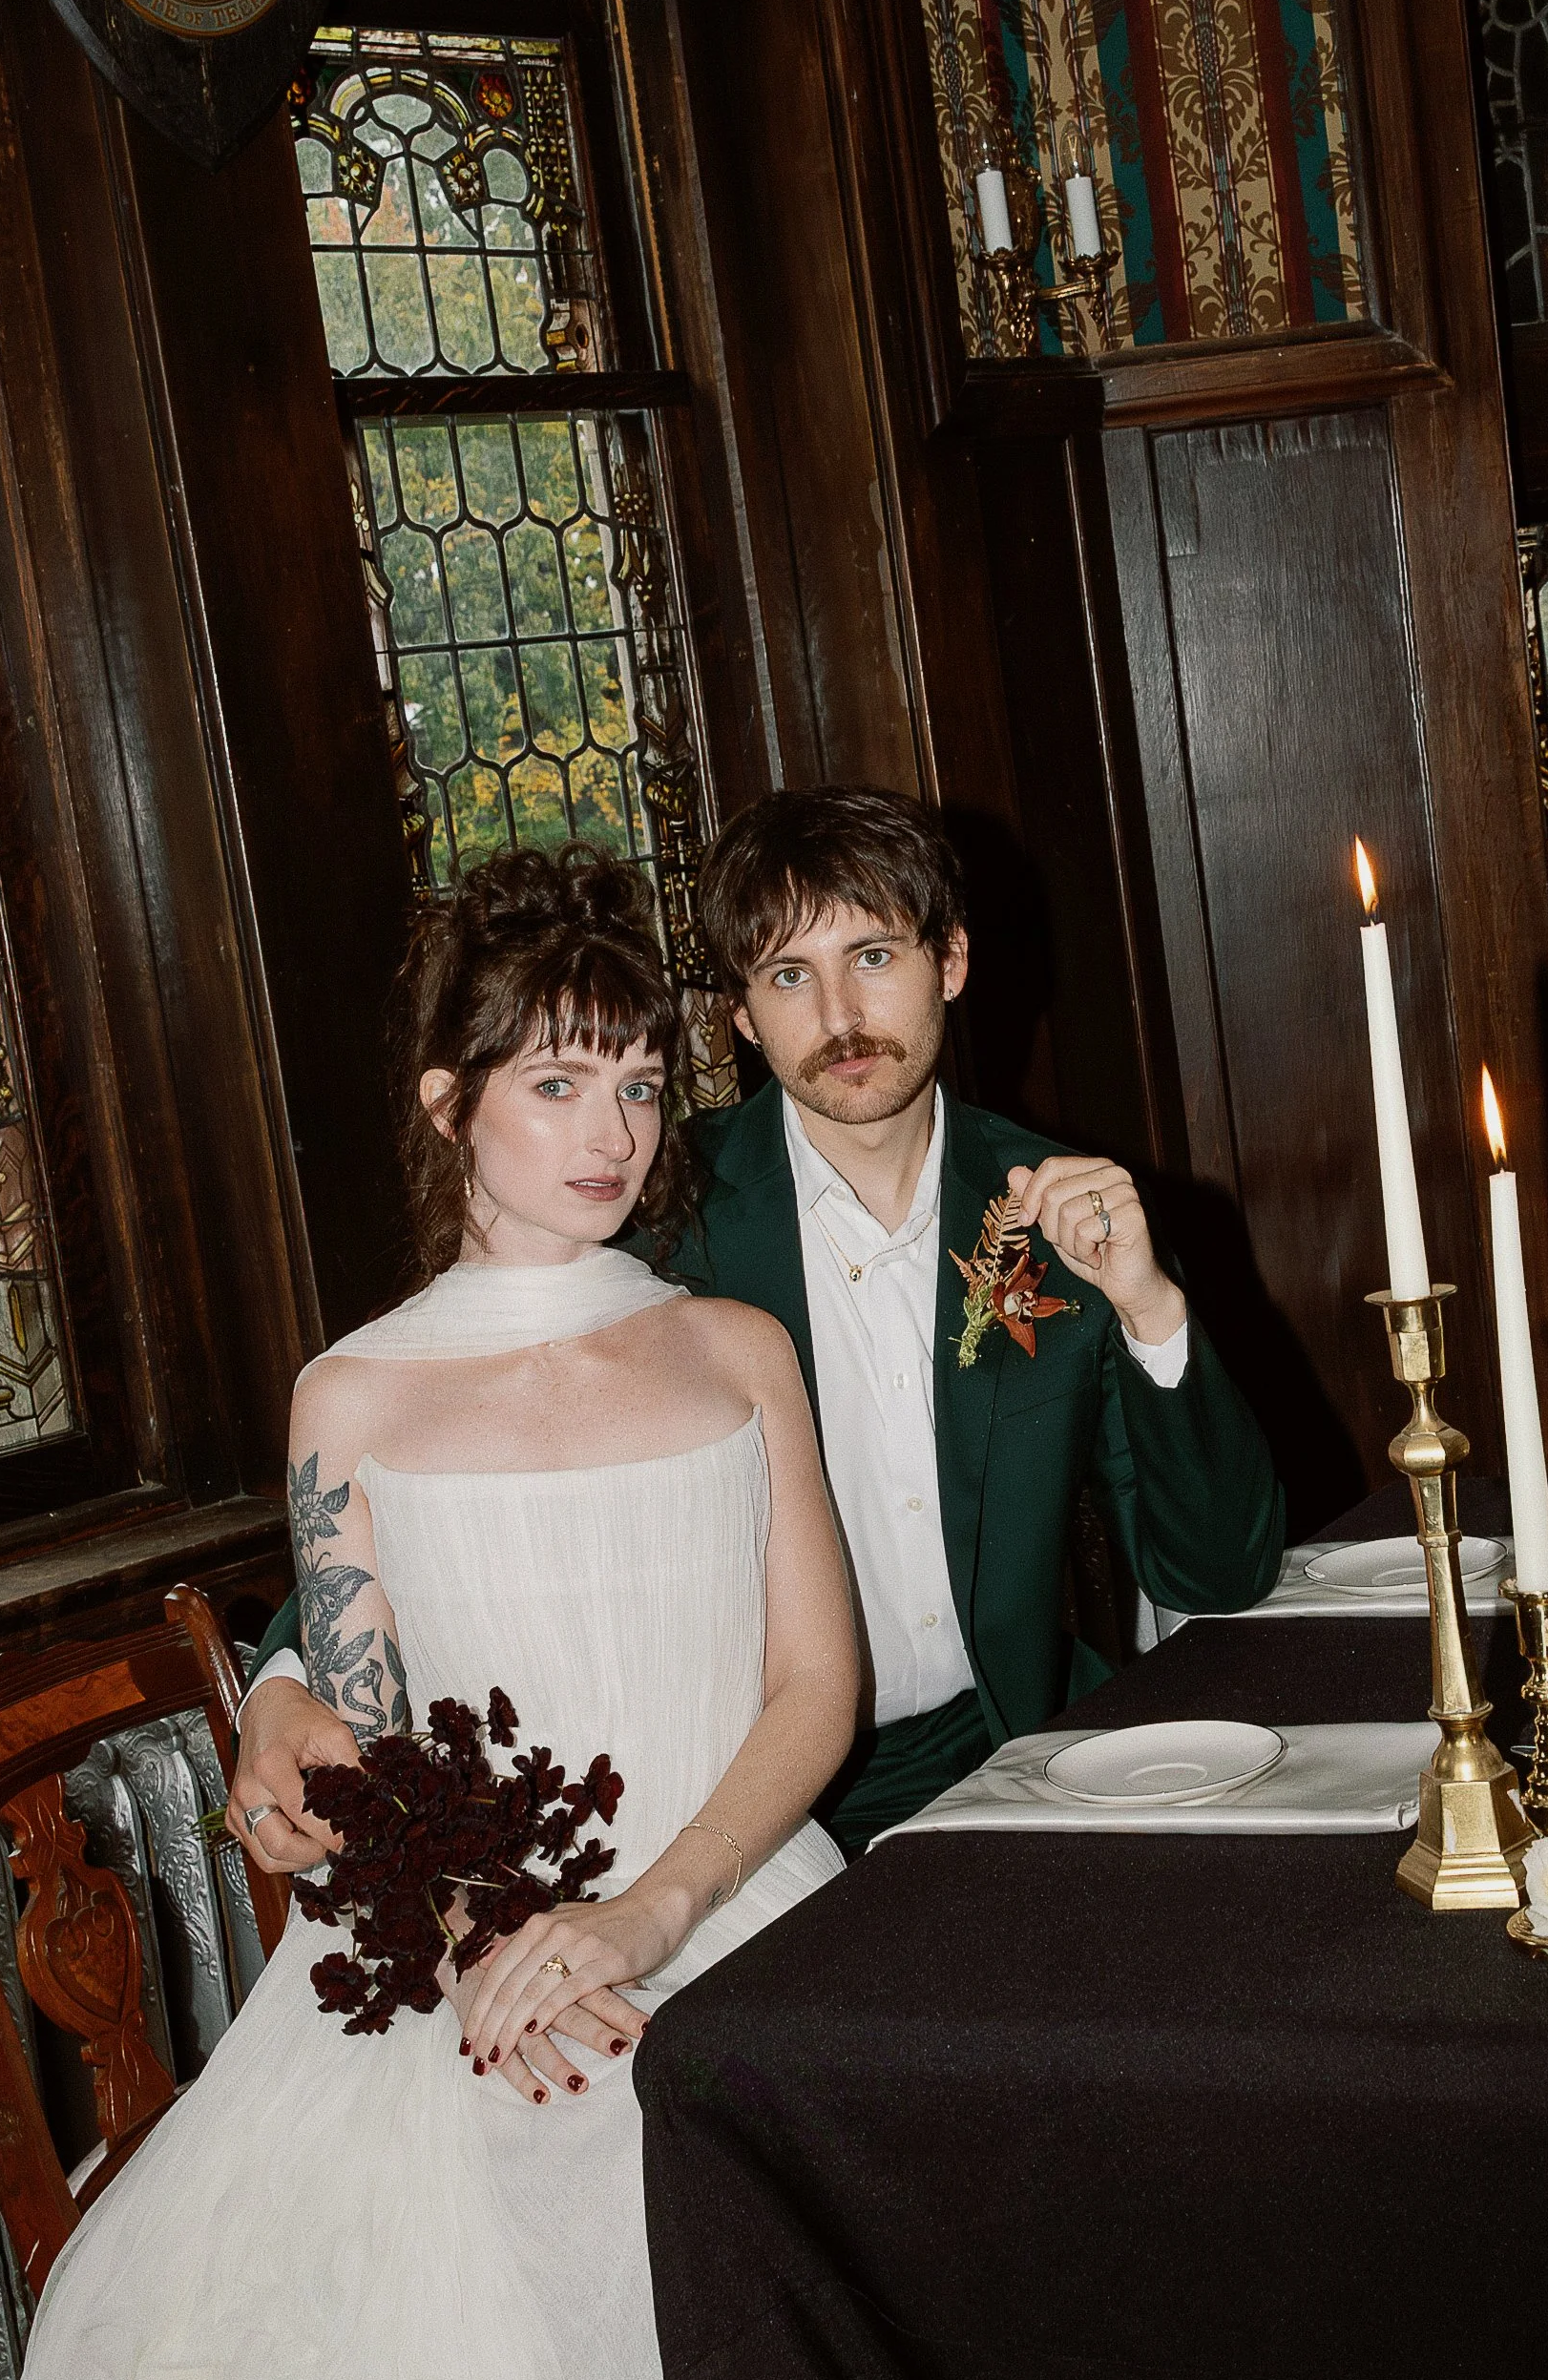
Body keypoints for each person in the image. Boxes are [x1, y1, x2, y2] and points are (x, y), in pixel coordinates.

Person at [0, 847, 857, 2380]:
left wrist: (647, 1915)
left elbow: (814, 1691)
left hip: (733, 1895)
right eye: (555, 1082)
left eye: (635, 1081)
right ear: (448, 1101)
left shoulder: (732, 1351)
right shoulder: (349, 1393)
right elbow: (354, 1732)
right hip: (460, 1926)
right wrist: (480, 1941)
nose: (611, 1128)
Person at [234, 789, 1284, 1860]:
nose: (839, 1016)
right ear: (739, 1014)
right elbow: (435, 1428)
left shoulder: (1066, 1219)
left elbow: (1218, 1574)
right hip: (757, 1802)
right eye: (789, 974)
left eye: (873, 955)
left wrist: (1151, 1306)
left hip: (1023, 1755)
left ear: (951, 961)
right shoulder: (644, 1206)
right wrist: (278, 1681)